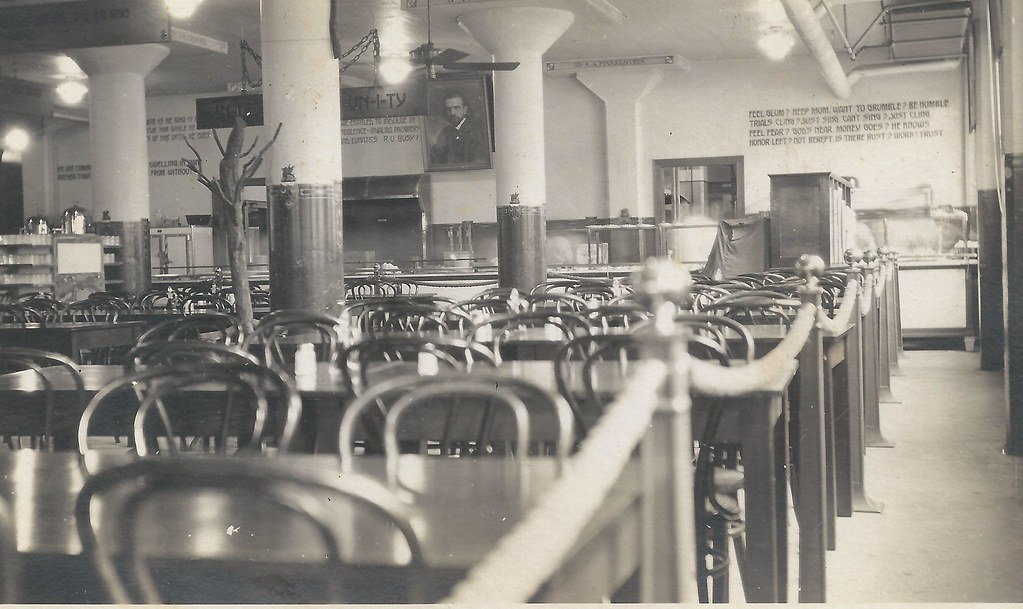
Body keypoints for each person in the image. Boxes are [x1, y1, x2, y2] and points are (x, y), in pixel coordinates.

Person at [429, 91, 487, 166]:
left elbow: (478, 162)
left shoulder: (476, 132)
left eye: (456, 108)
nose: (452, 113)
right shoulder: (445, 131)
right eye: (448, 109)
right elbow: (435, 159)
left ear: (465, 110)